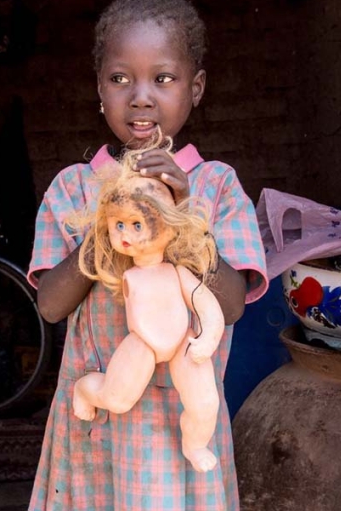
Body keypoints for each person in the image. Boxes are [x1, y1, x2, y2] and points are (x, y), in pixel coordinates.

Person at [27, 0, 268, 511]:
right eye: (120, 79)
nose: (141, 97)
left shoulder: (217, 186)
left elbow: (229, 305)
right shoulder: (74, 189)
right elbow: (50, 304)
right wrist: (115, 218)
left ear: (195, 88)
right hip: (96, 429)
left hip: (181, 422)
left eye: (163, 79)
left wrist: (178, 218)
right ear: (99, 89)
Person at [70, 136, 226, 474]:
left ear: (171, 229)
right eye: (118, 225)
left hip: (185, 343)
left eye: (137, 224)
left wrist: (209, 336)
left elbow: (206, 303)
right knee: (117, 399)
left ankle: (194, 444)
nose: (125, 234)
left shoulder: (178, 271)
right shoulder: (126, 271)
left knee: (205, 402)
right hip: (141, 344)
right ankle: (84, 389)